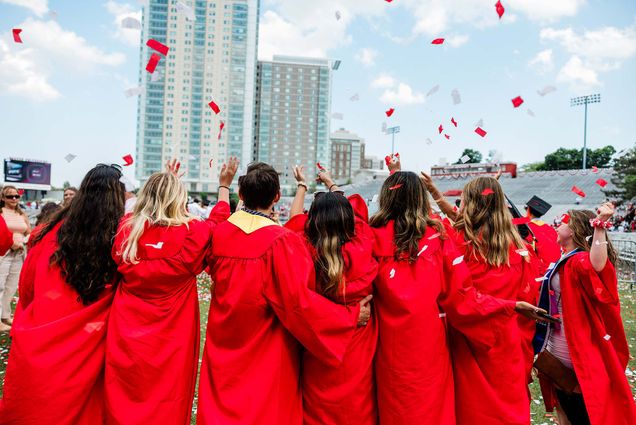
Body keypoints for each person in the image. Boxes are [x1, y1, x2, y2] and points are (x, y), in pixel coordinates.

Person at [196, 162, 372, 425]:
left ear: (241, 195)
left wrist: (223, 186)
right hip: (265, 348)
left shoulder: (220, 235)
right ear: (277, 197)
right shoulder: (281, 242)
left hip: (225, 343)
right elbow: (299, 303)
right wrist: (349, 316)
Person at [371, 161, 545, 425]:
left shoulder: (370, 241)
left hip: (407, 345)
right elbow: (464, 299)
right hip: (491, 335)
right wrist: (511, 307)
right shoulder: (519, 252)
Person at [105, 158, 237, 424]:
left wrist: (165, 180)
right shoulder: (193, 233)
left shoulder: (127, 231)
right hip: (174, 331)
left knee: (125, 391)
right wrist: (224, 186)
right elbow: (219, 222)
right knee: (170, 394)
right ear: (179, 198)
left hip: (128, 326)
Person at [0, 164, 125, 424]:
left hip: (44, 328)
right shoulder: (119, 239)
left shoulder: (49, 233)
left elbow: (27, 285)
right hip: (91, 336)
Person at [285, 165, 378, 425]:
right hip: (357, 346)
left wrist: (302, 186)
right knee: (359, 407)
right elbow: (356, 210)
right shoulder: (362, 243)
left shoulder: (304, 249)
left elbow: (293, 221)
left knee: (318, 409)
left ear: (312, 221)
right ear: (348, 219)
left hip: (322, 345)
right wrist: (331, 183)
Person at [533, 205, 636, 425]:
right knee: (564, 407)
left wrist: (599, 227)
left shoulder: (579, 260)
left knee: (580, 406)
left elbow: (597, 265)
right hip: (557, 342)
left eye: (562, 222)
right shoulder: (565, 258)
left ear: (573, 230)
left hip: (574, 347)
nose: (557, 225)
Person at [0, 186, 31, 330]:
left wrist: (24, 241)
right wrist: (11, 243)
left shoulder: (22, 214)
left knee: (11, 286)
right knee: (0, 285)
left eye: (16, 196)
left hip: (19, 252)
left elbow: (29, 232)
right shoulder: (1, 212)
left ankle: (5, 316)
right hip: (4, 252)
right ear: (2, 198)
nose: (13, 199)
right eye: (9, 196)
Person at [525, 195, 561, 275]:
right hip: (555, 269)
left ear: (528, 210)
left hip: (539, 270)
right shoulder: (551, 229)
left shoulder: (526, 229)